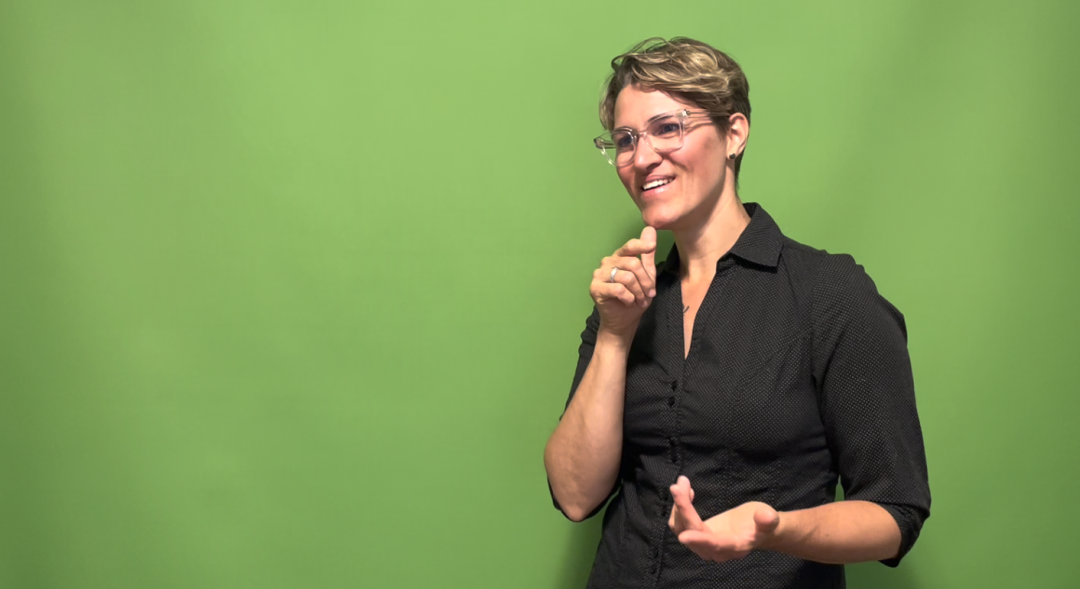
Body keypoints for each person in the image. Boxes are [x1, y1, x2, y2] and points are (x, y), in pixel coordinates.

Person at [542, 37, 931, 588]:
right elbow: (574, 495)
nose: (642, 156)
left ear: (734, 134)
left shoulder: (829, 294)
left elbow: (896, 513)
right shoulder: (625, 300)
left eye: (668, 127)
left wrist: (773, 530)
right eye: (626, 139)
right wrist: (613, 335)